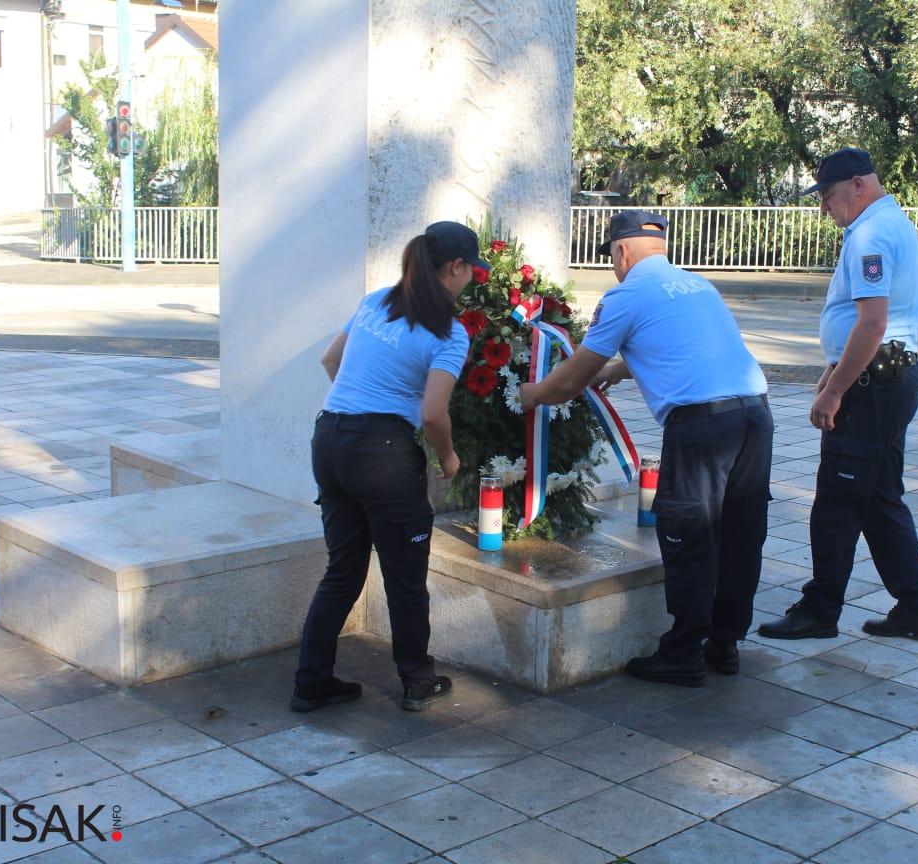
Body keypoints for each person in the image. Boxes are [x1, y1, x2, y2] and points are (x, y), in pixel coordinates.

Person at [520, 210, 773, 687]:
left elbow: (572, 378)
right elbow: (688, 348)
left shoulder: (627, 294)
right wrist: (622, 368)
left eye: (612, 258)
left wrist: (530, 395)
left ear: (621, 251)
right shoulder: (698, 286)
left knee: (688, 533)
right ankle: (725, 641)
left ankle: (682, 653)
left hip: (703, 427)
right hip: (754, 415)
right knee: (740, 532)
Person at [292, 221, 487, 713]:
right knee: (403, 575)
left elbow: (329, 361)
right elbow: (432, 413)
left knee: (342, 570)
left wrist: (359, 406)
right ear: (455, 267)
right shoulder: (447, 331)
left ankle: (311, 681)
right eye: (470, 274)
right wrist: (447, 456)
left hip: (331, 436)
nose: (470, 285)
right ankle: (418, 681)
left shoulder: (376, 300)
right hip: (382, 453)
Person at [758, 147, 918, 642]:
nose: (824, 207)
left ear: (858, 184)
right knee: (880, 499)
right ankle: (917, 607)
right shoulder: (892, 222)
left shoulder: (869, 234)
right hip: (889, 378)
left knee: (837, 502)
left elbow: (873, 322)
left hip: (872, 387)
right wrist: (835, 367)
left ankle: (820, 611)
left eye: (829, 195)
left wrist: (836, 389)